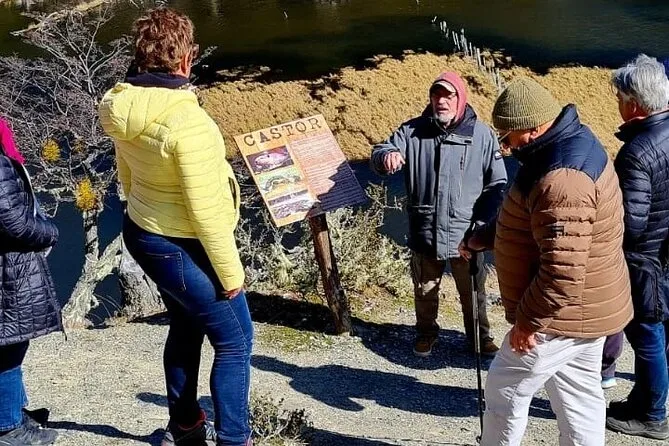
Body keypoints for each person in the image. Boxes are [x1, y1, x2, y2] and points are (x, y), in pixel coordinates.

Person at [99, 8, 252, 446]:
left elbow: (127, 171)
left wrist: (137, 205)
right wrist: (231, 275)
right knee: (236, 339)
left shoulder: (122, 106)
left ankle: (185, 426)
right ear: (186, 58)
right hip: (182, 242)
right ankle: (235, 439)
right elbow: (207, 213)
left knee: (186, 325)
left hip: (143, 231)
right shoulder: (190, 123)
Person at [462, 77, 633, 445]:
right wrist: (482, 238)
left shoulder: (563, 179)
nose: (506, 145)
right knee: (579, 396)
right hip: (584, 309)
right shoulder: (559, 148)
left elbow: (562, 271)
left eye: (508, 136)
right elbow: (528, 218)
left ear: (533, 128)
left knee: (505, 389)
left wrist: (528, 323)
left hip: (560, 315)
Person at [370, 71, 507, 358]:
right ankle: (426, 334)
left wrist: (481, 227)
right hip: (425, 231)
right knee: (425, 290)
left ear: (461, 99)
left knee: (473, 292)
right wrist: (386, 157)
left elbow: (497, 185)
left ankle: (480, 338)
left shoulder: (482, 136)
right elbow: (382, 150)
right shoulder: (412, 131)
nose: (441, 101)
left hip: (466, 235)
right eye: (437, 95)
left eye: (448, 95)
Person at [605, 54, 669, 441]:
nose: (616, 103)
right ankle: (641, 402)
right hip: (666, 255)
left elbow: (632, 224)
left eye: (619, 97)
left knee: (647, 337)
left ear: (633, 104)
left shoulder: (637, 152)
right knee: (660, 335)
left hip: (645, 262)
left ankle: (652, 416)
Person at [0, 117, 60, 446]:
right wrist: (49, 231)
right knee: (9, 346)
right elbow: (13, 221)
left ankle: (12, 412)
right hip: (6, 267)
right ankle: (9, 427)